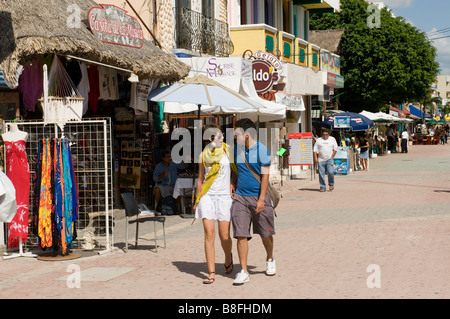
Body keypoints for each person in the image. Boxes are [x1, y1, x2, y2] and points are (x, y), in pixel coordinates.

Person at [232, 118, 276, 285]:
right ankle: (243, 271)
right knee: (240, 234)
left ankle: (270, 258)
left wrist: (262, 199)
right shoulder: (236, 149)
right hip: (240, 197)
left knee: (266, 233)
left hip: (259, 197)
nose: (235, 137)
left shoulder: (262, 151)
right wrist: (232, 183)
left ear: (247, 135)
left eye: (237, 134)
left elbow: (265, 176)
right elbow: (234, 169)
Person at [193, 124, 236, 284]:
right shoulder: (203, 155)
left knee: (224, 235)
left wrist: (231, 182)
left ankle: (227, 257)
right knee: (209, 233)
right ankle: (211, 272)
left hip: (224, 196)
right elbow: (200, 178)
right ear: (210, 139)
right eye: (218, 136)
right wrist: (197, 198)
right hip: (207, 196)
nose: (222, 138)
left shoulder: (228, 151)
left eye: (222, 135)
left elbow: (234, 170)